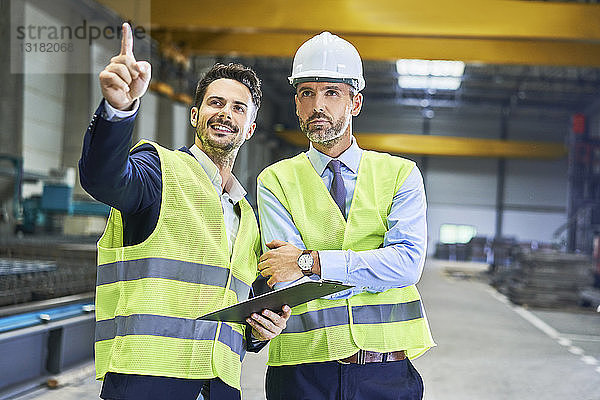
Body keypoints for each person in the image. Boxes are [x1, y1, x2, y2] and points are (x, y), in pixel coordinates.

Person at [79, 23, 290, 400]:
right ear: (195, 115)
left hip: (220, 385)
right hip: (147, 379)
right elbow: (104, 178)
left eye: (238, 108)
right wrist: (118, 109)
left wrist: (260, 331)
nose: (226, 113)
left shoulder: (248, 217)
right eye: (215, 102)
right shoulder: (158, 171)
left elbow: (239, 309)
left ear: (250, 128)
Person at [256, 32, 436, 400]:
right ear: (296, 103)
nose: (317, 104)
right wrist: (372, 269)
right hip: (303, 373)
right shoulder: (275, 181)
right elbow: (288, 282)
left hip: (385, 372)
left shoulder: (401, 174)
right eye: (307, 93)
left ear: (355, 103)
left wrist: (310, 260)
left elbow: (407, 265)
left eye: (331, 93)